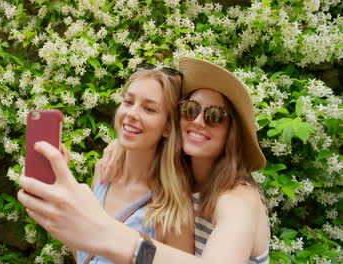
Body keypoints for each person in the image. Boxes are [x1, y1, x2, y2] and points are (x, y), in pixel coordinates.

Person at [17, 57, 270, 264]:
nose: (198, 122)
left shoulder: (237, 199)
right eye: (190, 110)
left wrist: (109, 234)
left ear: (232, 133)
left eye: (215, 116)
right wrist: (121, 144)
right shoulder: (177, 178)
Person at [23, 63, 196, 264]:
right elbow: (85, 255)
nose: (131, 113)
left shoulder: (171, 211)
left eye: (149, 109)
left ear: (168, 127)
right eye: (128, 102)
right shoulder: (105, 172)